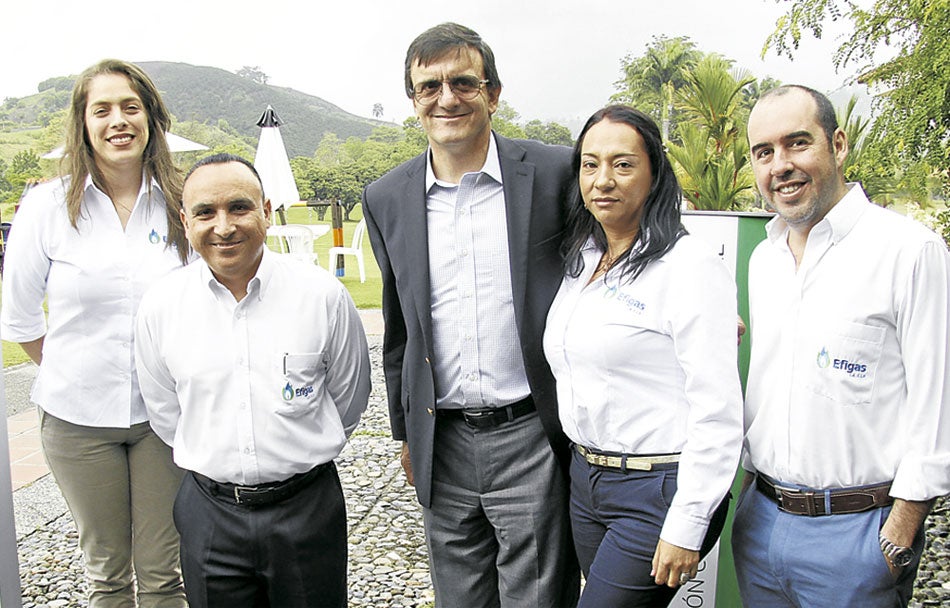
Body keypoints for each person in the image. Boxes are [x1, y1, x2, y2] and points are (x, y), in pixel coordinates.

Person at [362, 22, 579, 608]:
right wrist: (407, 433)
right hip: (444, 441)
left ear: (493, 93)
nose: (447, 98)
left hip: (532, 432)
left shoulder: (556, 173)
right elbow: (400, 330)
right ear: (413, 100)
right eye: (428, 86)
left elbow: (627, 231)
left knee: (539, 597)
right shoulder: (386, 197)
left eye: (463, 82)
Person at [733, 84, 950, 608]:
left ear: (838, 144)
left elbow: (938, 404)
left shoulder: (908, 252)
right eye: (764, 152)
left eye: (797, 143)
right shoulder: (765, 259)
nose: (780, 165)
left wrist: (898, 531)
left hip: (858, 536)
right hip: (760, 522)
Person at [134, 153, 371, 608]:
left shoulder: (322, 296)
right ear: (185, 221)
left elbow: (348, 397)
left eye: (239, 207)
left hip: (306, 508)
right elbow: (165, 412)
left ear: (265, 210)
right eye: (206, 212)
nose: (223, 226)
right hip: (210, 512)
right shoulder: (161, 307)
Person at [0, 59, 189, 607]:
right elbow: (20, 317)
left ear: (151, 117)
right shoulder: (47, 206)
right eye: (101, 110)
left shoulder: (181, 199)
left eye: (131, 107)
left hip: (165, 419)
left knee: (163, 573)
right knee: (107, 573)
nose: (117, 121)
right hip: (77, 423)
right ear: (83, 123)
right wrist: (75, 370)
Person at [542, 105, 742, 607]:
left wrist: (688, 523)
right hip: (587, 481)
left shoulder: (688, 267)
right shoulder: (583, 258)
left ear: (655, 174)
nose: (603, 180)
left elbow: (718, 410)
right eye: (590, 164)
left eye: (623, 164)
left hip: (657, 490)